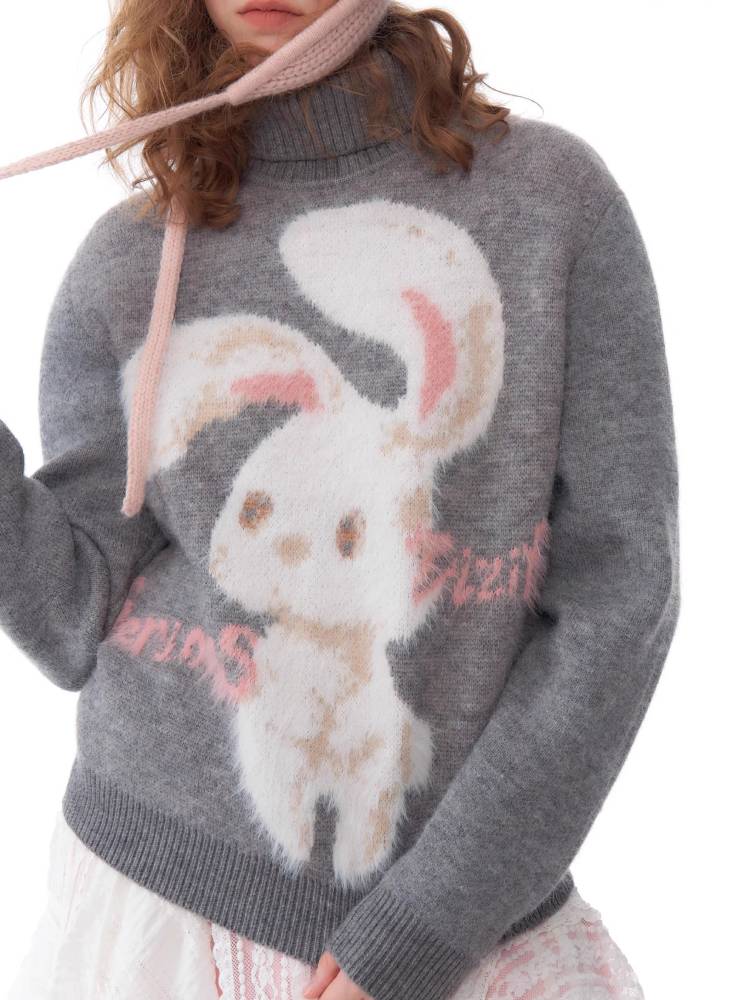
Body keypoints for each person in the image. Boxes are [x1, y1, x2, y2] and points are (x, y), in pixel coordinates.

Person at [0, 1, 680, 998]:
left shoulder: (551, 204)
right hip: (155, 918)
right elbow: (72, 617)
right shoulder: (129, 260)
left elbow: (619, 602)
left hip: (474, 929)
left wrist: (427, 925)